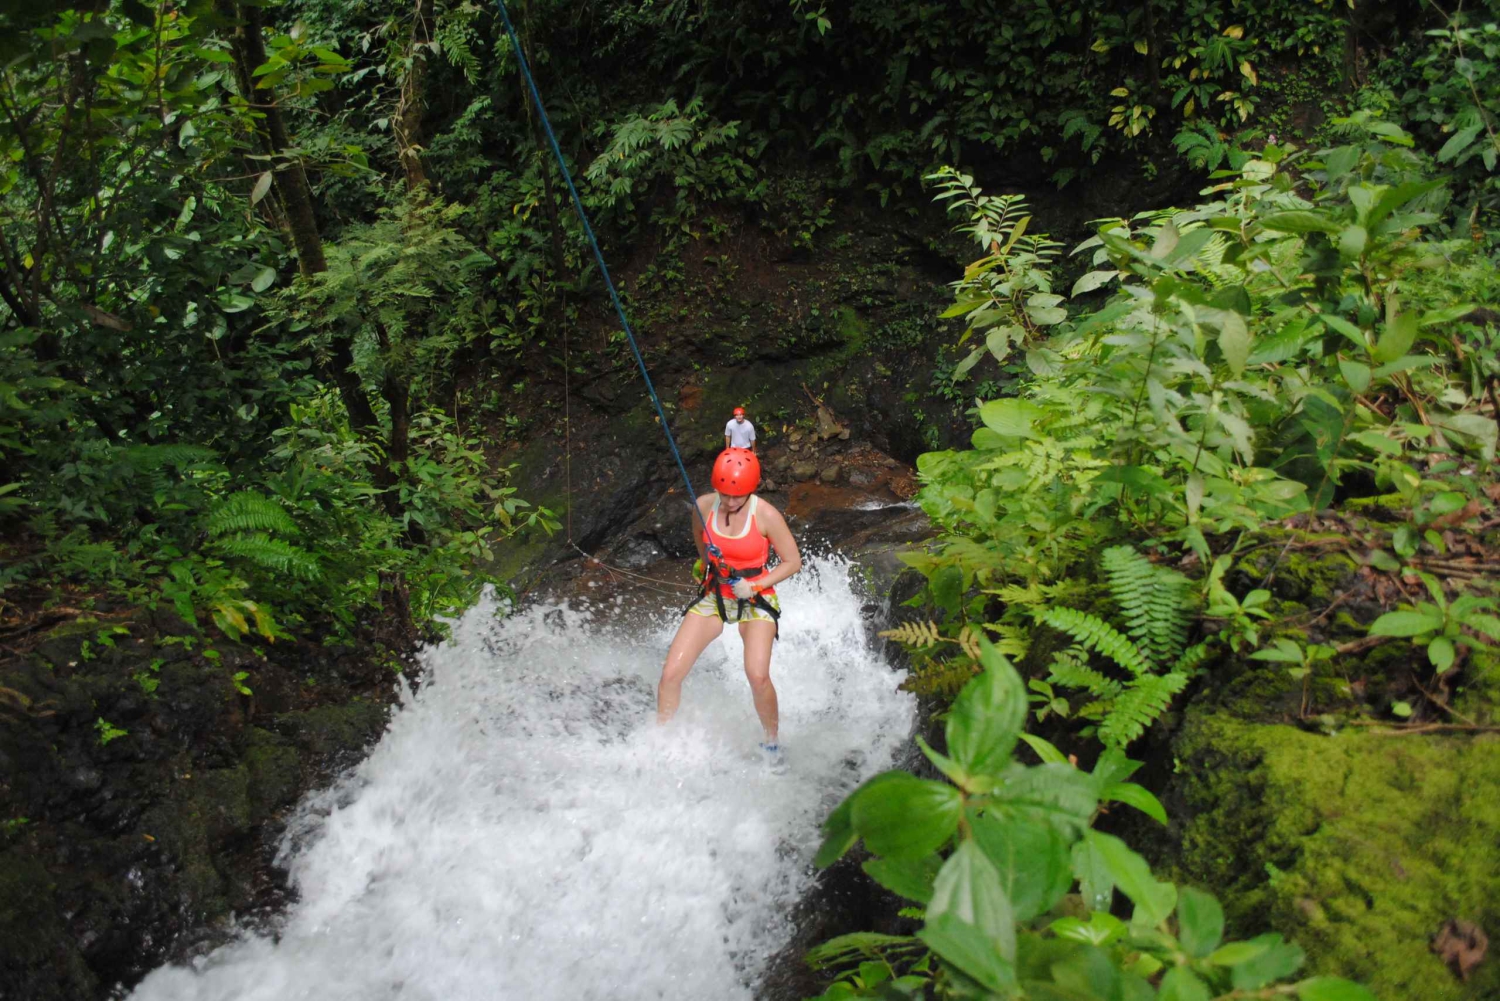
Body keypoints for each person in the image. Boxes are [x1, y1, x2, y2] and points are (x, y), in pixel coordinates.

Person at [657, 448, 801, 753]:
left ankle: (772, 743)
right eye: (725, 495)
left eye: (738, 496)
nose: (731, 502)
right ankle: (662, 739)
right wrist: (703, 564)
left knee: (757, 675)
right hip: (716, 594)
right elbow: (700, 534)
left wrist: (755, 584)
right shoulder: (705, 506)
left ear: (751, 490)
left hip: (755, 598)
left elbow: (792, 562)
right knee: (671, 673)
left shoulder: (766, 515)